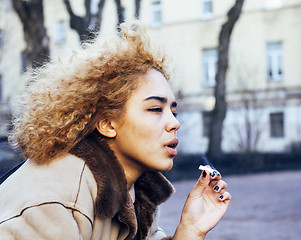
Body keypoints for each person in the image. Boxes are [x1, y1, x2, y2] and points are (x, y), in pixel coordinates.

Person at [0, 23, 231, 240]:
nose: (174, 123)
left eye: (173, 110)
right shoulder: (52, 198)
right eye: (155, 109)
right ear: (108, 124)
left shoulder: (134, 192)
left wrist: (189, 230)